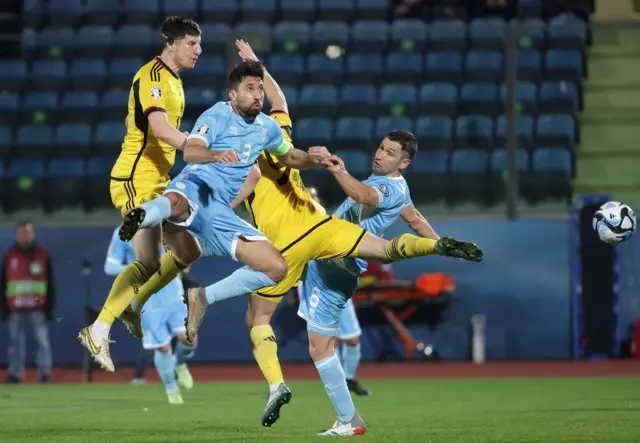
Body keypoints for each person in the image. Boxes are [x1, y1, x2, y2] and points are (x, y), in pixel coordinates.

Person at [183, 40, 483, 429]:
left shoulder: (242, 156)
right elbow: (281, 104)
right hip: (322, 228)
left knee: (262, 317)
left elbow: (359, 192)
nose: (380, 154)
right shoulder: (275, 131)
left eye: (389, 152)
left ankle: (264, 368)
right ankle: (435, 248)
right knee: (386, 250)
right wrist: (259, 68)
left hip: (291, 246)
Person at [78, 16, 204, 373]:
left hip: (158, 180)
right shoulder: (151, 74)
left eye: (199, 44)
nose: (199, 50)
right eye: (192, 44)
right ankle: (99, 328)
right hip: (136, 177)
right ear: (171, 44)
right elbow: (161, 129)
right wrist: (193, 145)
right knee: (148, 262)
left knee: (186, 250)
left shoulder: (175, 82)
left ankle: (135, 305)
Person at [104, 227, 197, 404]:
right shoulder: (123, 232)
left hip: (171, 290)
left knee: (188, 338)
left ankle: (179, 362)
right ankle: (172, 390)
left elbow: (184, 245)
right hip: (145, 297)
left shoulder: (163, 221)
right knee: (162, 346)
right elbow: (109, 266)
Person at [306, 185, 372, 397]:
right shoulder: (295, 227)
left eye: (315, 195)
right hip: (315, 288)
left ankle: (349, 379)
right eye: (308, 196)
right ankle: (334, 387)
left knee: (352, 338)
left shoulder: (331, 223)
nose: (312, 199)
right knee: (323, 341)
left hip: (338, 286)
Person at [0, 221, 55, 384]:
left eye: (27, 233)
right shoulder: (9, 256)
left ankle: (44, 374)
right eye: (21, 233)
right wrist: (3, 308)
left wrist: (49, 308)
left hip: (38, 307)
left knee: (43, 342)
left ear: (33, 234)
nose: (24, 236)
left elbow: (51, 283)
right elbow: (3, 283)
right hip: (15, 308)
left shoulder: (43, 254)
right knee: (15, 343)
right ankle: (15, 374)